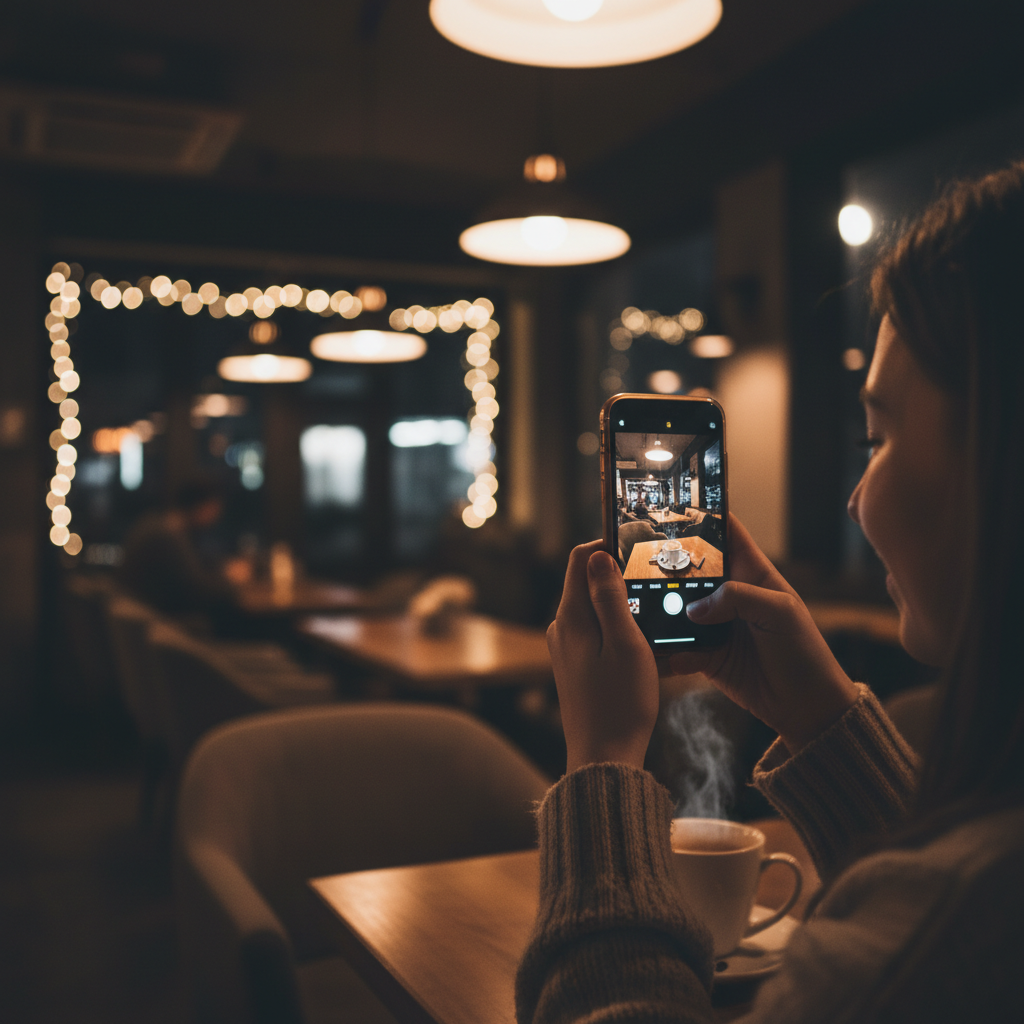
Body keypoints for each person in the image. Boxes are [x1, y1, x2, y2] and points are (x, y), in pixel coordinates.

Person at [516, 164, 1024, 1022]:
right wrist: (827, 720)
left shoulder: (947, 927)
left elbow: (925, 931)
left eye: (880, 436)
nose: (858, 498)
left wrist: (602, 766)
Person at [121, 476, 237, 624]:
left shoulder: (160, 526)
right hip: (157, 629)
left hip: (145, 625)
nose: (217, 515)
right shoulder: (167, 536)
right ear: (203, 506)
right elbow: (198, 591)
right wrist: (233, 584)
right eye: (215, 507)